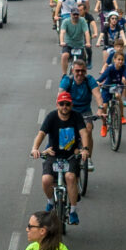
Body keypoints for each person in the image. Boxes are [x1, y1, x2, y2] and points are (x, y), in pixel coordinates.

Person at [32, 91, 93, 225]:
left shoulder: (76, 116)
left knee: (70, 177)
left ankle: (73, 211)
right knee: (46, 180)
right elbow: (41, 134)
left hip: (71, 155)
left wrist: (85, 149)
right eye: (62, 104)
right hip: (53, 154)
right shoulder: (51, 117)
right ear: (57, 105)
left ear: (71, 105)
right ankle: (50, 202)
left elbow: (84, 133)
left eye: (67, 104)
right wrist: (35, 148)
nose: (64, 106)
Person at [98, 39, 126, 139]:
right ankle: (104, 125)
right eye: (118, 60)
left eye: (122, 60)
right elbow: (103, 76)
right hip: (107, 87)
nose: (120, 62)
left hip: (117, 86)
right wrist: (98, 81)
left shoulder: (123, 68)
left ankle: (121, 116)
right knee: (104, 106)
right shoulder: (110, 68)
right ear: (114, 60)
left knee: (118, 96)